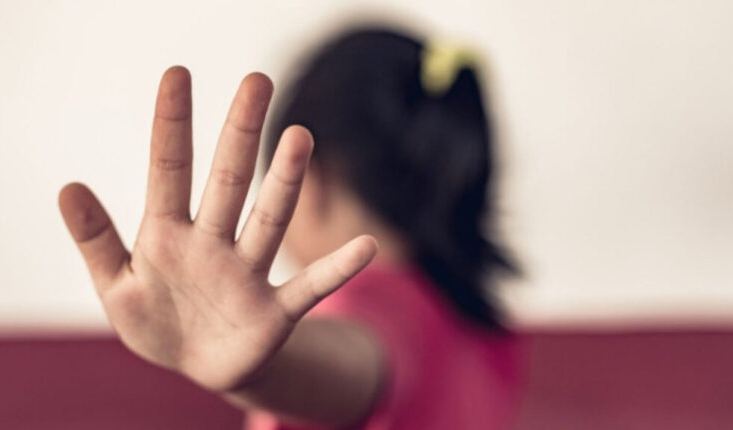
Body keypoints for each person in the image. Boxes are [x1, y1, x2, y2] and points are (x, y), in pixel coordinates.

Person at [58, 25, 524, 430]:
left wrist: (266, 367)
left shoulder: (371, 302)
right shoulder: (477, 322)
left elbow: (350, 360)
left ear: (310, 180)